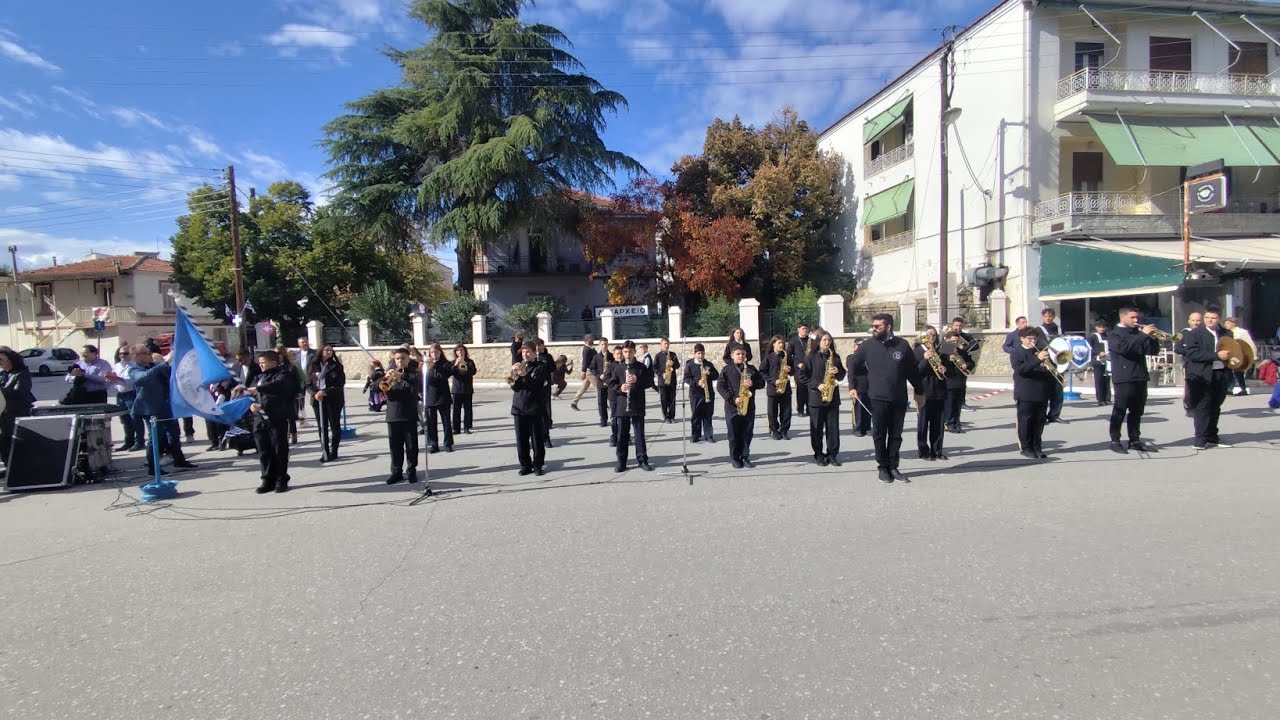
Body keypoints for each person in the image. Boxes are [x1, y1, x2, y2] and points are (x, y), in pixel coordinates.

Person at [848, 313, 923, 483]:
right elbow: (852, 363)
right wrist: (853, 386)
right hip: (877, 397)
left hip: (898, 398)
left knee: (896, 435)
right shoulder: (867, 345)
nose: (873, 329)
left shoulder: (902, 345)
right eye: (873, 326)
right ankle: (882, 467)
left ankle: (893, 466)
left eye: (877, 326)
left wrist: (920, 391)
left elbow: (912, 370)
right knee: (879, 434)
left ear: (888, 326)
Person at [128, 345, 196, 475]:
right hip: (150, 409)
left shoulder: (154, 366)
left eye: (149, 352)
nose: (149, 355)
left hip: (165, 406)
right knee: (155, 437)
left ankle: (179, 459)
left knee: (174, 433)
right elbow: (142, 378)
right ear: (136, 356)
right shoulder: (133, 369)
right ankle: (153, 468)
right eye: (145, 353)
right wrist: (163, 362)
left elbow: (172, 373)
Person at [1106, 308, 1160, 453]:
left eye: (1137, 317)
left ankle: (1135, 439)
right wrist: (1143, 335)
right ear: (1122, 317)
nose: (1136, 321)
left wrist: (1153, 339)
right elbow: (1125, 349)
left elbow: (1152, 351)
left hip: (1140, 375)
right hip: (1123, 377)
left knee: (1137, 411)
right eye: (1132, 317)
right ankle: (1115, 440)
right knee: (1120, 410)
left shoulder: (1138, 333)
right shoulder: (1114, 334)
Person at [1181, 308, 1233, 449]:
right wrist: (1216, 355)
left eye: (1213, 318)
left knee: (1216, 406)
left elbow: (1232, 350)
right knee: (1202, 406)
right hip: (1201, 375)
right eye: (1207, 317)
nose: (1210, 320)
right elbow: (1193, 354)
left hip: (1220, 373)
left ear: (1219, 319)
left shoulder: (1227, 333)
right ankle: (1200, 439)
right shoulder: (1194, 334)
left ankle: (1212, 437)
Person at [244, 351, 294, 493]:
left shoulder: (282, 375)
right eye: (259, 363)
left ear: (273, 362)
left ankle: (281, 479)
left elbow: (278, 386)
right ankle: (267, 479)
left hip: (276, 418)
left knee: (279, 450)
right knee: (263, 451)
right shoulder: (258, 377)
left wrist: (259, 389)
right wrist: (251, 405)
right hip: (259, 420)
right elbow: (251, 394)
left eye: (263, 362)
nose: (260, 365)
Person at [799, 332, 846, 466]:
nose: (827, 342)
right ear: (818, 342)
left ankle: (832, 455)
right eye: (824, 340)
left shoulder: (834, 356)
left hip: (832, 398)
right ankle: (818, 454)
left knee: (833, 428)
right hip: (816, 398)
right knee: (817, 429)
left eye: (829, 340)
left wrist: (838, 371)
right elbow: (803, 376)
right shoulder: (810, 357)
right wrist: (817, 385)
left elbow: (842, 374)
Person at [608, 340, 655, 472]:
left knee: (639, 434)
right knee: (622, 434)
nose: (627, 355)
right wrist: (620, 387)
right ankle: (621, 462)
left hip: (637, 404)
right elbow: (611, 384)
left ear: (635, 352)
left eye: (630, 352)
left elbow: (649, 382)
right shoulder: (617, 367)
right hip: (622, 405)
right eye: (625, 352)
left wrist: (638, 380)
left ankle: (642, 460)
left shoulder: (641, 367)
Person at [716, 345, 764, 469]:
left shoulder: (751, 369)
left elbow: (762, 383)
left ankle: (745, 456)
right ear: (732, 356)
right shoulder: (726, 370)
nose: (741, 356)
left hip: (749, 407)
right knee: (733, 435)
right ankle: (735, 457)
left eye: (743, 354)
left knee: (747, 433)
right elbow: (720, 387)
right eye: (738, 354)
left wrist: (753, 383)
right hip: (732, 407)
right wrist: (733, 398)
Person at [1010, 328, 1054, 460]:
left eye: (1035, 338)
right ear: (1022, 338)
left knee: (1039, 422)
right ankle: (1026, 447)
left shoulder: (1040, 351)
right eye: (1030, 339)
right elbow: (1021, 370)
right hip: (1026, 392)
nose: (1033, 341)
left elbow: (1051, 370)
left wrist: (1050, 365)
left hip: (1041, 391)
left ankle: (1037, 446)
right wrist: (1037, 360)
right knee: (1026, 421)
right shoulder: (1016, 352)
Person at [509, 340, 550, 477]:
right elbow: (515, 387)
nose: (525, 355)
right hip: (519, 407)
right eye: (523, 352)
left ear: (534, 352)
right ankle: (525, 465)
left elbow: (537, 385)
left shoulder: (541, 366)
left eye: (528, 352)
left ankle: (538, 465)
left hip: (534, 407)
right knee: (521, 440)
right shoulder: (519, 366)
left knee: (537, 439)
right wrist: (516, 375)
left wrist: (525, 374)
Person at [382, 348, 422, 483]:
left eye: (403, 358)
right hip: (393, 415)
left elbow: (417, 387)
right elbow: (377, 387)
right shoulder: (390, 372)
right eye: (397, 358)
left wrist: (402, 377)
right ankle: (396, 472)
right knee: (395, 447)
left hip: (409, 414)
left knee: (411, 446)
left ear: (408, 359)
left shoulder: (414, 373)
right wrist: (385, 377)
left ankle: (411, 471)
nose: (400, 361)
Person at [914, 326, 948, 461]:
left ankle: (937, 450)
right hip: (924, 391)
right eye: (928, 335)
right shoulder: (917, 351)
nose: (931, 338)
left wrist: (943, 368)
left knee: (938, 423)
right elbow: (916, 372)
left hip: (939, 391)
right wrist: (924, 359)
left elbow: (947, 370)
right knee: (923, 423)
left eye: (933, 335)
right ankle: (923, 451)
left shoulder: (940, 351)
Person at [306, 344, 346, 462]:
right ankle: (325, 451)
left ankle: (334, 451)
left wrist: (324, 392)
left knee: (334, 425)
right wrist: (315, 393)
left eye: (330, 350)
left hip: (333, 399)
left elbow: (339, 384)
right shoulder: (313, 365)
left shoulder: (336, 366)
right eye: (326, 350)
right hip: (318, 400)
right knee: (322, 426)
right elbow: (308, 383)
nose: (328, 352)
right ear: (321, 351)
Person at [0, 347, 34, 465]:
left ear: (10, 359)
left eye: (1, 359)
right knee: (4, 444)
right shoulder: (2, 374)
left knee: (17, 444)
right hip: (4, 416)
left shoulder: (21, 373)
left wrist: (2, 391)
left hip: (17, 414)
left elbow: (20, 392)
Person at [108, 345, 144, 452]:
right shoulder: (117, 365)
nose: (122, 356)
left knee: (135, 419)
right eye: (120, 353)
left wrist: (117, 378)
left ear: (131, 355)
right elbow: (115, 380)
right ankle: (129, 442)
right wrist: (110, 379)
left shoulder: (134, 366)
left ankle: (139, 442)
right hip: (121, 395)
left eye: (125, 353)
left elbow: (131, 381)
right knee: (125, 420)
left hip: (131, 394)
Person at [760, 335, 794, 441]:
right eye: (779, 343)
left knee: (787, 411)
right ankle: (774, 430)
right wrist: (773, 381)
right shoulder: (768, 357)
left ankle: (784, 431)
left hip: (785, 388)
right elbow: (762, 371)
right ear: (773, 344)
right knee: (772, 411)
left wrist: (790, 369)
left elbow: (794, 371)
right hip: (773, 389)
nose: (781, 345)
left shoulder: (786, 356)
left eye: (783, 343)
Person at [422, 342, 454, 454]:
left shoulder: (446, 364)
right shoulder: (426, 364)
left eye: (436, 352)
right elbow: (424, 379)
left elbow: (442, 377)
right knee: (431, 423)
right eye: (432, 352)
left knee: (446, 422)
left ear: (440, 352)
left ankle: (448, 443)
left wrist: (433, 367)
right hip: (430, 396)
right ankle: (433, 444)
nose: (434, 354)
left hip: (443, 396)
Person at [683, 343, 719, 443]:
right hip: (695, 394)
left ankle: (709, 435)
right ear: (694, 354)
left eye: (702, 353)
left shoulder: (708, 364)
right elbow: (686, 378)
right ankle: (695, 435)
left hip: (708, 394)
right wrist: (697, 382)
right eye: (698, 353)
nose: (700, 356)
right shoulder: (690, 364)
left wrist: (710, 373)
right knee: (696, 415)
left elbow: (717, 376)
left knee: (708, 415)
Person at [940, 329, 973, 432]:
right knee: (949, 405)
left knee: (958, 405)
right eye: (953, 341)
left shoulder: (961, 351)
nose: (955, 343)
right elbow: (939, 363)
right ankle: (948, 423)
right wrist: (947, 361)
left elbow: (971, 362)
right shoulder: (943, 350)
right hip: (949, 382)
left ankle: (956, 422)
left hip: (960, 382)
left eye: (957, 341)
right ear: (947, 340)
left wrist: (966, 365)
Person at [1036, 309, 1064, 422]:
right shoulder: (1038, 330)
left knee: (1058, 390)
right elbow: (1039, 345)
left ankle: (1054, 415)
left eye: (1050, 316)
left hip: (1059, 362)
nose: (1048, 318)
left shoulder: (1059, 329)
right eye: (1046, 316)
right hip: (1046, 362)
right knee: (1044, 390)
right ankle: (1041, 416)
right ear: (1042, 317)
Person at [1175, 312, 1203, 413]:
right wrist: (1190, 351)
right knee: (1190, 386)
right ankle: (1189, 407)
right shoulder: (1182, 333)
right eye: (1193, 320)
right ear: (1189, 321)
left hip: (1204, 364)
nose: (1196, 323)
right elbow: (1177, 349)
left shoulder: (1205, 333)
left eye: (1198, 320)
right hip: (1189, 364)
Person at [276, 345, 303, 444]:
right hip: (278, 394)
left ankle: (293, 433)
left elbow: (296, 380)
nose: (278, 355)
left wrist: (297, 391)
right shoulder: (275, 365)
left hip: (289, 394)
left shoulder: (290, 366)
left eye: (279, 353)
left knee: (290, 415)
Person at [1222, 317, 1256, 396]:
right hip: (1229, 355)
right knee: (1228, 372)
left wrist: (1253, 356)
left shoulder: (1242, 332)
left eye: (1228, 323)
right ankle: (1229, 388)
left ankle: (1243, 389)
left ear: (1233, 323)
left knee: (1238, 372)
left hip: (1240, 354)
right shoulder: (1225, 332)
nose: (1226, 325)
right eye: (1225, 323)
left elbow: (1250, 344)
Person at [845, 340, 871, 437]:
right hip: (858, 386)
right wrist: (852, 387)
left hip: (869, 386)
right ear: (855, 346)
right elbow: (851, 374)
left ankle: (867, 427)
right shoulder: (852, 358)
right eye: (860, 346)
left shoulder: (868, 357)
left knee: (868, 407)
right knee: (858, 409)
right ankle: (858, 428)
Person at [788, 323, 814, 417]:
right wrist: (796, 364)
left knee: (810, 389)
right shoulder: (793, 341)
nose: (805, 330)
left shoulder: (811, 340)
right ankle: (800, 409)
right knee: (801, 390)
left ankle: (809, 409)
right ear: (798, 329)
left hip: (810, 369)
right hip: (799, 369)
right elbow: (789, 355)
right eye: (803, 329)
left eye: (806, 329)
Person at [584, 337, 611, 425]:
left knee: (613, 401)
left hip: (611, 382)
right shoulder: (596, 356)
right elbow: (592, 368)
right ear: (599, 345)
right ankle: (603, 420)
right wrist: (599, 375)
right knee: (601, 403)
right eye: (602, 344)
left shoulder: (612, 356)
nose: (604, 346)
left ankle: (615, 419)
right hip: (601, 382)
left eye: (606, 344)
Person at [450, 345, 477, 433]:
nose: (460, 352)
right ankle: (456, 428)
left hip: (467, 388)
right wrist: (455, 364)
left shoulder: (470, 362)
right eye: (458, 351)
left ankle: (467, 427)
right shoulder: (453, 362)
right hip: (456, 389)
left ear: (465, 351)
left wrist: (466, 365)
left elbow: (473, 372)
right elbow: (451, 372)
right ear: (456, 353)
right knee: (456, 409)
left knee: (468, 409)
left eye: (461, 350)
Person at [569, 334, 598, 412]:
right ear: (587, 340)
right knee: (598, 387)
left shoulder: (590, 348)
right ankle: (602, 403)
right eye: (591, 338)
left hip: (590, 371)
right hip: (590, 371)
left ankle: (574, 402)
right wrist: (583, 371)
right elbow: (585, 361)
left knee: (583, 388)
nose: (593, 340)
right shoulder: (587, 349)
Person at [653, 338, 679, 423]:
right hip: (663, 381)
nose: (666, 345)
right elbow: (654, 368)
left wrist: (673, 363)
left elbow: (678, 365)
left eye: (668, 344)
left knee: (672, 399)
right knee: (664, 400)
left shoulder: (673, 355)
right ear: (661, 345)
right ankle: (666, 416)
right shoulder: (658, 356)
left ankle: (672, 416)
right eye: (665, 344)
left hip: (672, 381)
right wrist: (661, 374)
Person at [293, 337, 317, 430]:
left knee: (314, 397)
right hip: (300, 380)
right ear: (299, 344)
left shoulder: (313, 353)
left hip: (310, 380)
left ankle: (320, 415)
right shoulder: (296, 354)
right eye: (303, 342)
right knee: (300, 400)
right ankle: (302, 420)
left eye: (306, 342)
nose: (305, 343)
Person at [535, 338, 555, 447]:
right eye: (536, 346)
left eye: (539, 345)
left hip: (545, 387)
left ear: (543, 346)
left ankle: (546, 437)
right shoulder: (531, 359)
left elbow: (553, 368)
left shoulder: (547, 357)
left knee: (545, 412)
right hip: (533, 389)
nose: (538, 347)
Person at [1088, 319, 1112, 406]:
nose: (1102, 329)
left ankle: (1107, 398)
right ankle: (1100, 399)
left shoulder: (1108, 336)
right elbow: (1089, 348)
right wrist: (1098, 353)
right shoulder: (1093, 336)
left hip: (1108, 360)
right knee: (1099, 380)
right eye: (1100, 327)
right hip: (1098, 361)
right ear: (1096, 327)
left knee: (1107, 380)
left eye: (1103, 327)